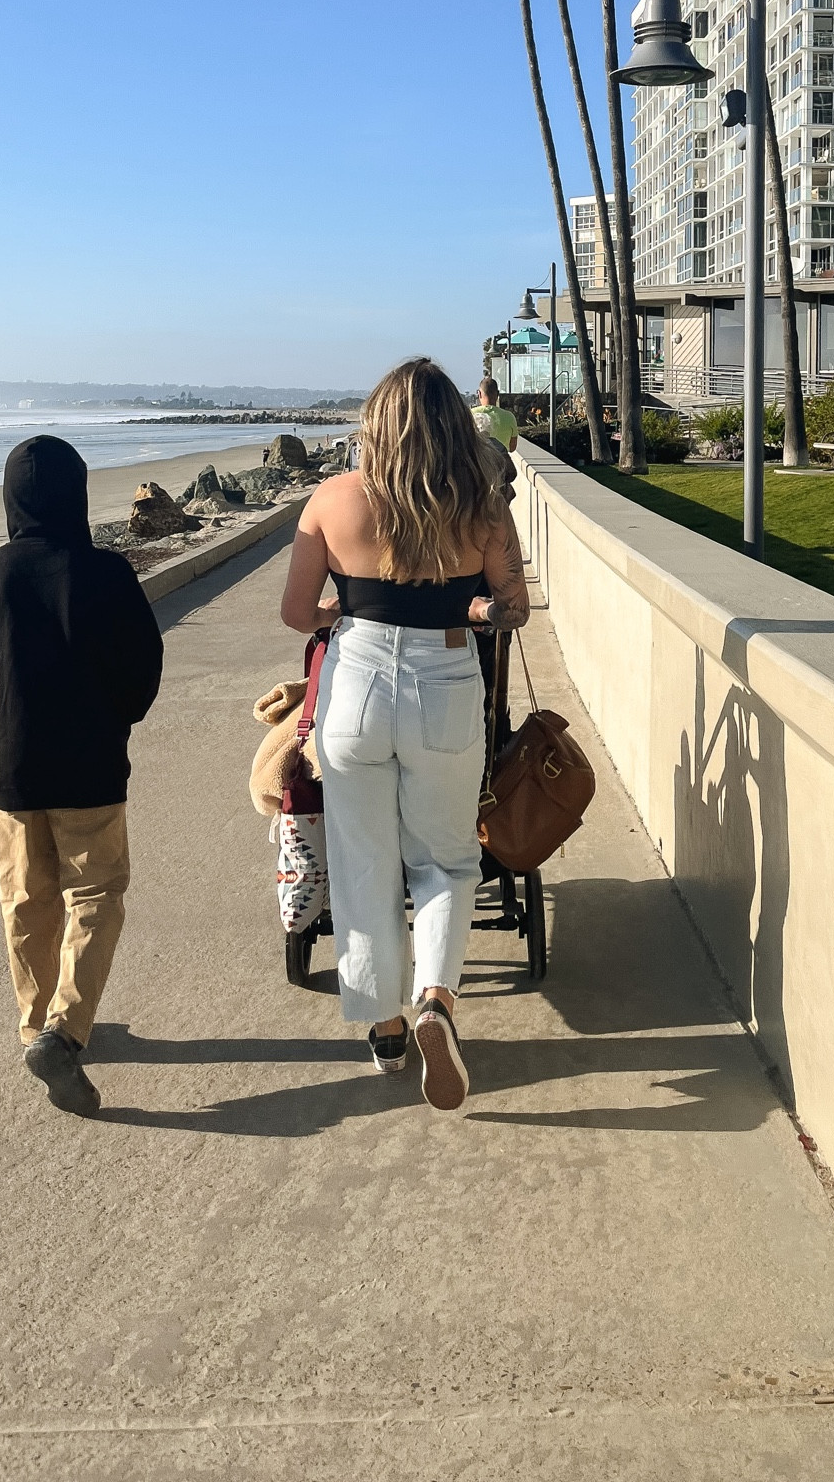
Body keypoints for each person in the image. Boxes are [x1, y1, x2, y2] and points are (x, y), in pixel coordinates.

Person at [280, 358, 529, 1110]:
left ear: (374, 426)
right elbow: (512, 607)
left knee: (364, 862)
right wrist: (475, 609)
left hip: (354, 684)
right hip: (445, 681)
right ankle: (436, 1003)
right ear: (457, 424)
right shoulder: (482, 508)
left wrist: (345, 618)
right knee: (447, 861)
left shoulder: (332, 499)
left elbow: (297, 612)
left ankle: (384, 1025)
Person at [0, 436, 163, 1118]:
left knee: (26, 900)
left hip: (13, 765)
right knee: (95, 893)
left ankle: (35, 1024)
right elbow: (142, 666)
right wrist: (116, 720)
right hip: (92, 766)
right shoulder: (108, 573)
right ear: (76, 494)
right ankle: (66, 1031)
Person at [472, 378, 518, 453]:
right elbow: (512, 448)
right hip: (502, 462)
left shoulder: (470, 415)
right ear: (497, 394)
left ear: (479, 394)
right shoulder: (509, 417)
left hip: (478, 462)